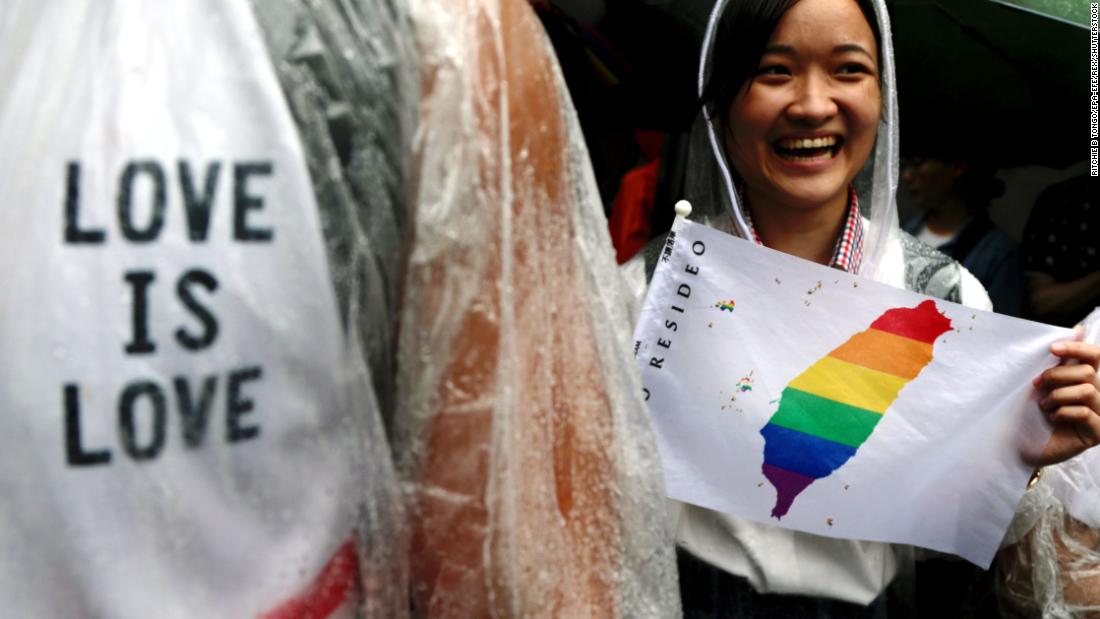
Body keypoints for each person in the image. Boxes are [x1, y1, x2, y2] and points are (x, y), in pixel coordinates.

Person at [620, 0, 1100, 615]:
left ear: (884, 94)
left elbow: (1017, 579)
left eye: (848, 70)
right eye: (774, 71)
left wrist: (1023, 467)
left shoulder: (947, 304)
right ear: (718, 100)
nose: (814, 105)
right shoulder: (646, 291)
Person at [901, 155, 1026, 317]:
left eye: (918, 163)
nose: (907, 175)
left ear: (957, 167)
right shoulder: (902, 232)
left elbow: (998, 332)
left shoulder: (997, 254)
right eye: (905, 166)